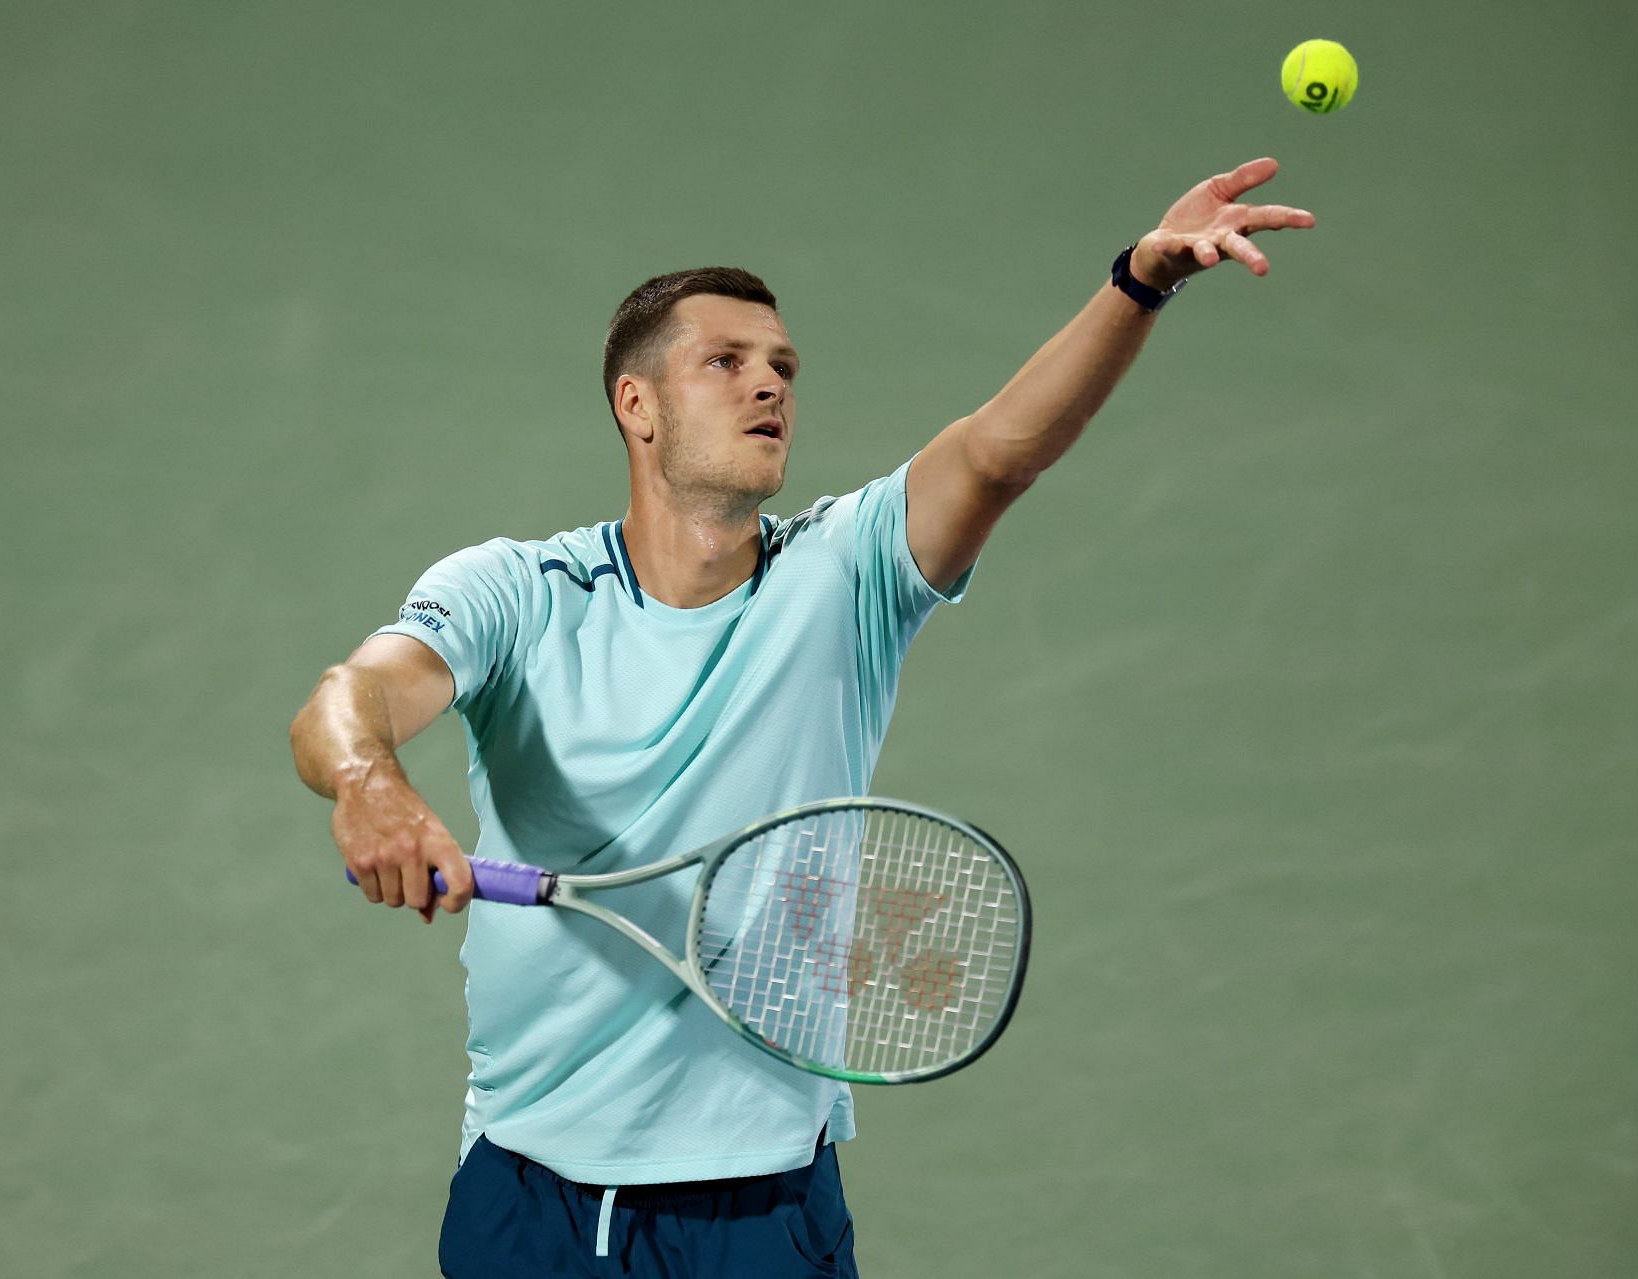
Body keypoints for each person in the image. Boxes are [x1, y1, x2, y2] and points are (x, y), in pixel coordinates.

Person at [290, 157, 1315, 1278]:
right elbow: (355, 695)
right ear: (637, 405)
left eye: (781, 366)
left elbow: (996, 451)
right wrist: (369, 780)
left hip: (766, 1209)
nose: (767, 385)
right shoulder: (520, 591)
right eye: (723, 363)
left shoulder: (846, 576)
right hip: (532, 1192)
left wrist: (1138, 283)